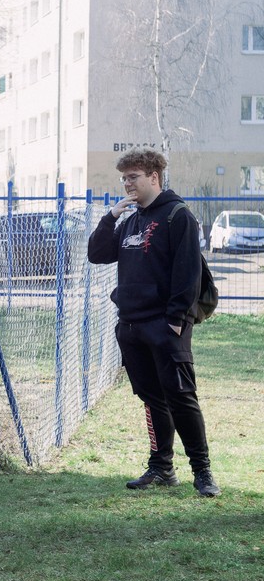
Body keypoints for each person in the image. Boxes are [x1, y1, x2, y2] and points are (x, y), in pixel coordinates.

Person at [86, 149, 220, 497]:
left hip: (165, 326)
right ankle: (162, 468)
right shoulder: (131, 221)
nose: (127, 184)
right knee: (152, 399)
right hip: (131, 326)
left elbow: (188, 273)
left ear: (154, 177)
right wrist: (111, 216)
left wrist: (175, 321)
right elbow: (97, 254)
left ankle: (202, 472)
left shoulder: (177, 216)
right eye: (124, 178)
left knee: (180, 397)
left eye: (133, 177)